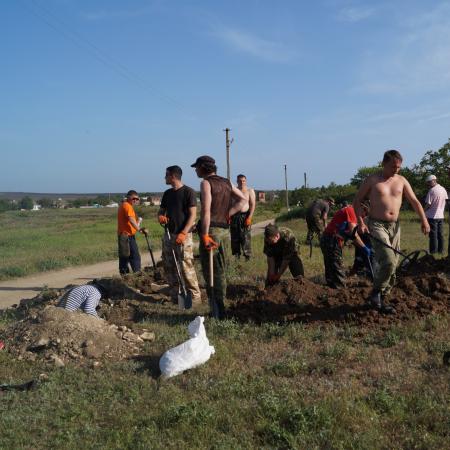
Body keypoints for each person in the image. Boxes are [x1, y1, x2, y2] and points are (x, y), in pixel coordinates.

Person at [354, 150, 430, 312]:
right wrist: (361, 222)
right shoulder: (372, 180)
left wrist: (424, 220)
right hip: (376, 224)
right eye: (393, 166)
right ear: (384, 164)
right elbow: (357, 201)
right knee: (388, 260)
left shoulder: (402, 180)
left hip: (395, 226)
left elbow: (415, 201)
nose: (396, 170)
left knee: (393, 264)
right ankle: (376, 292)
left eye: (399, 167)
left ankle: (381, 298)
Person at [191, 155, 246, 319]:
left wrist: (205, 234)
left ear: (203, 168)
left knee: (210, 272)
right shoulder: (227, 182)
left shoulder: (206, 183)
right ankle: (220, 308)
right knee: (221, 269)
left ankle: (217, 310)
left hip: (212, 232)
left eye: (197, 167)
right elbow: (242, 200)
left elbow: (206, 211)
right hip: (225, 231)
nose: (195, 170)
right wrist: (227, 214)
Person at [158, 165, 201, 305]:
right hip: (169, 235)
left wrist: (183, 232)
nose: (165, 177)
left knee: (186, 266)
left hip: (184, 236)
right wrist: (160, 217)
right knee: (169, 266)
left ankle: (195, 298)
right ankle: (176, 297)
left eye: (166, 175)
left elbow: (193, 215)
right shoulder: (167, 193)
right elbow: (161, 211)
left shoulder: (189, 192)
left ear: (173, 176)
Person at [320, 204, 371, 288]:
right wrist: (364, 247)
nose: (362, 217)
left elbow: (349, 231)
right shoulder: (351, 211)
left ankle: (330, 288)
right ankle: (340, 292)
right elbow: (353, 234)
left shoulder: (349, 209)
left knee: (331, 269)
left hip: (327, 239)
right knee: (337, 269)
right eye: (363, 215)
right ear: (363, 208)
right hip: (331, 240)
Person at [117, 190, 147, 275]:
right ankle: (137, 274)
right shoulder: (127, 206)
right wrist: (139, 229)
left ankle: (125, 275)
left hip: (125, 235)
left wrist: (138, 222)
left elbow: (131, 222)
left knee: (125, 256)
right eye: (134, 198)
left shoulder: (125, 205)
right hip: (126, 236)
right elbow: (131, 220)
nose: (135, 200)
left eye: (137, 199)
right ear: (128, 197)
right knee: (134, 256)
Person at [230, 174, 256, 260]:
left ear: (246, 181)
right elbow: (230, 204)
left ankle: (247, 257)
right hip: (234, 217)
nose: (242, 182)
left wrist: (249, 218)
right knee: (235, 237)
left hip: (245, 216)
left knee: (245, 237)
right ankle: (236, 257)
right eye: (240, 181)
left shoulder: (249, 191)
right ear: (237, 181)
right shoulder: (234, 191)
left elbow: (252, 205)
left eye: (243, 181)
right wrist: (229, 216)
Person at [424, 174, 448, 255]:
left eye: (429, 182)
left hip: (432, 216)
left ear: (434, 180)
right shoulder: (443, 189)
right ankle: (441, 250)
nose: (428, 184)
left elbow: (428, 204)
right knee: (440, 234)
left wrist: (423, 212)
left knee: (433, 235)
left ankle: (433, 251)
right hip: (441, 215)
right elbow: (445, 201)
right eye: (428, 182)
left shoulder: (432, 191)